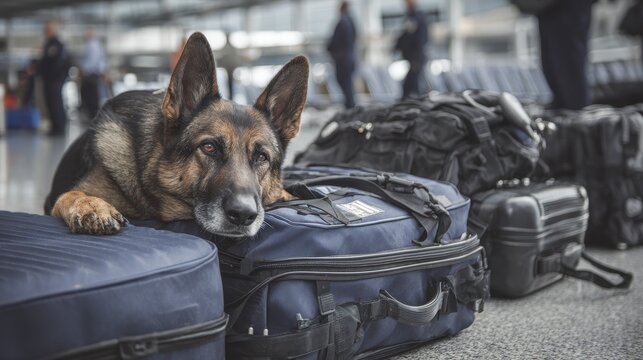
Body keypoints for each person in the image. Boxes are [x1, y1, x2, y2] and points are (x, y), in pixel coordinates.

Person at [537, 1, 593, 110]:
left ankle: (578, 120)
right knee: (554, 66)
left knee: (569, 69)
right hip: (549, 8)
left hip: (566, 7)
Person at [39, 20, 70, 135]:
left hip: (55, 79)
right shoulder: (48, 43)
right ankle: (55, 127)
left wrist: (53, 76)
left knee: (56, 103)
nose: (46, 31)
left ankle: (59, 128)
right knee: (50, 103)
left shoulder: (57, 44)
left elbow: (57, 63)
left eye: (48, 29)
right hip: (49, 79)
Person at [394, 0, 428, 99]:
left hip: (416, 57)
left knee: (412, 85)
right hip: (415, 57)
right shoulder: (412, 17)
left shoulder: (417, 17)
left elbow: (416, 38)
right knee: (410, 85)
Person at [327, 1, 357, 109]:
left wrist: (331, 49)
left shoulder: (343, 22)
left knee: (344, 83)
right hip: (349, 58)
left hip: (343, 60)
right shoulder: (351, 21)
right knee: (348, 84)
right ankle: (350, 106)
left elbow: (336, 41)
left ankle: (350, 107)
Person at [80, 28, 106, 120]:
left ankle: (93, 116)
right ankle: (92, 115)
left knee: (91, 96)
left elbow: (92, 60)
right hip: (93, 73)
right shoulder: (95, 44)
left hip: (91, 74)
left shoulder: (92, 45)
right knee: (92, 96)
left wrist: (85, 71)